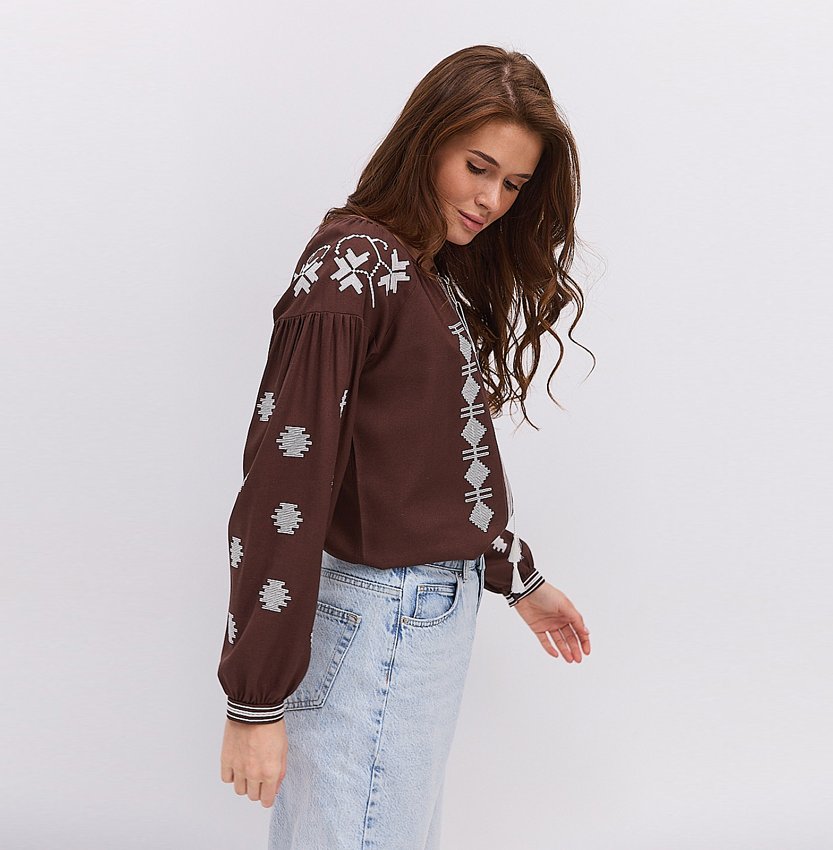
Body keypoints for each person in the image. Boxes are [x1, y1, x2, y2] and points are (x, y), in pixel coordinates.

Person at [218, 44, 592, 849]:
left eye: (514, 184)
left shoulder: (421, 270)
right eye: (478, 167)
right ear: (427, 140)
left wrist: (515, 575)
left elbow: (421, 459)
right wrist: (254, 699)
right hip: (380, 619)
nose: (491, 199)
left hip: (418, 617)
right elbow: (287, 477)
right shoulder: (351, 266)